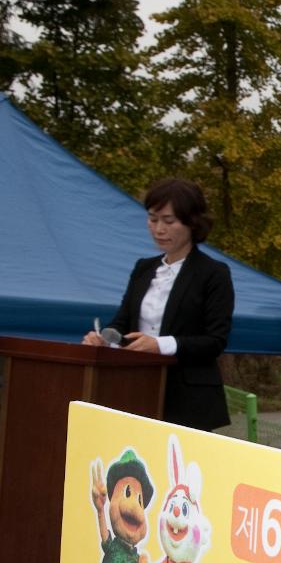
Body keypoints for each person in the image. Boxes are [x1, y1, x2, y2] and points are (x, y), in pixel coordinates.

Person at [83, 178, 234, 430]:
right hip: (135, 387)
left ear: (191, 223)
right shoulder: (143, 268)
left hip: (189, 400)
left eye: (169, 221)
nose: (158, 229)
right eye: (153, 219)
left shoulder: (214, 273)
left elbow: (216, 340)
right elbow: (122, 322)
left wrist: (160, 345)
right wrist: (104, 339)